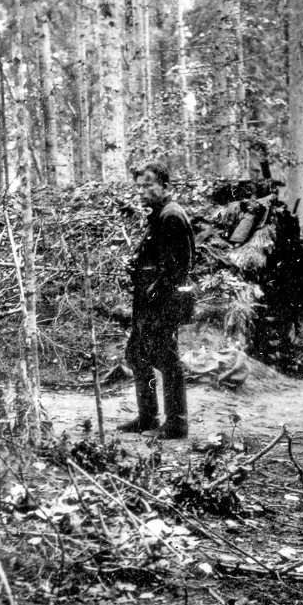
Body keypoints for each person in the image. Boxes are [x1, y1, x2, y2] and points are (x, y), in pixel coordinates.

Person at [121, 161, 196, 439]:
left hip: (163, 302)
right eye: (139, 187)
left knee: (166, 359)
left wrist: (154, 292)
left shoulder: (171, 215)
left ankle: (176, 423)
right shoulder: (160, 215)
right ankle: (147, 417)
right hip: (150, 300)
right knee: (138, 355)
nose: (142, 191)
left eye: (148, 185)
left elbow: (177, 268)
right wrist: (136, 266)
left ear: (165, 186)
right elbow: (156, 258)